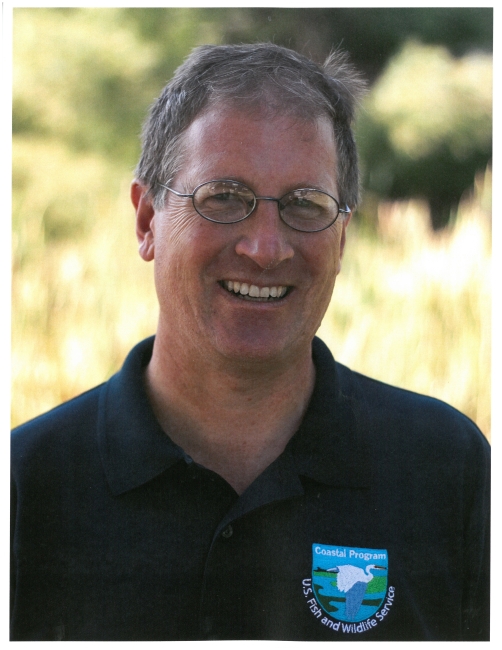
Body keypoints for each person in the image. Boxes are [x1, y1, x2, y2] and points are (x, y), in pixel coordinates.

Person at [10, 43, 489, 641]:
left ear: (341, 239)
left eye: (304, 205)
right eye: (224, 199)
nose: (265, 248)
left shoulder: (449, 472)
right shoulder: (26, 488)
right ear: (147, 220)